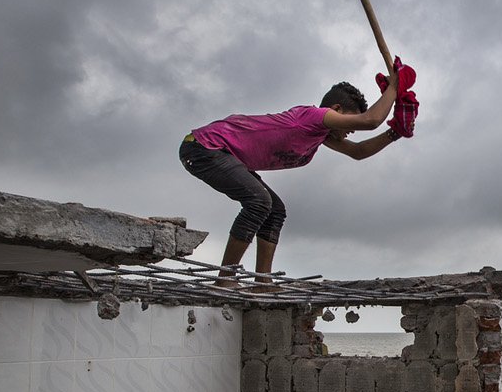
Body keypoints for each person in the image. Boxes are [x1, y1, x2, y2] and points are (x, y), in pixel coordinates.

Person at [179, 57, 418, 288]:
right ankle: (226, 277)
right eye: (349, 120)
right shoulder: (312, 117)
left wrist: (394, 133)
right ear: (335, 109)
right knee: (258, 201)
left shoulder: (322, 135)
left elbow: (358, 151)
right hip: (204, 146)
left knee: (275, 210)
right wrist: (394, 87)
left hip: (224, 155)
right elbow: (370, 120)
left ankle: (263, 282)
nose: (352, 130)